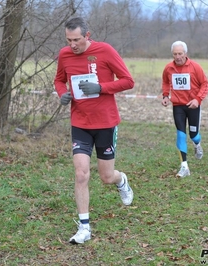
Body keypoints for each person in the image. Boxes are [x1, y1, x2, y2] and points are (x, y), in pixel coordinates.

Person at [54, 17, 134, 244]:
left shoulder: (105, 51)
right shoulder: (65, 55)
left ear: (87, 35)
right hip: (80, 122)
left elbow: (128, 81)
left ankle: (121, 180)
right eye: (68, 40)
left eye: (77, 40)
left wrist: (101, 88)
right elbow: (59, 80)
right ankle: (84, 227)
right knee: (81, 174)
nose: (72, 45)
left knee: (106, 176)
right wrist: (62, 94)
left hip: (106, 123)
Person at [161, 40, 208, 178]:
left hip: (193, 105)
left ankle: (197, 144)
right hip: (178, 106)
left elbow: (205, 84)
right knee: (181, 135)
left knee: (193, 135)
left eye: (180, 53)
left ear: (185, 53)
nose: (178, 57)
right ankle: (184, 167)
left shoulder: (195, 67)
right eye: (175, 54)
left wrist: (198, 99)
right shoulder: (168, 68)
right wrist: (165, 95)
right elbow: (165, 81)